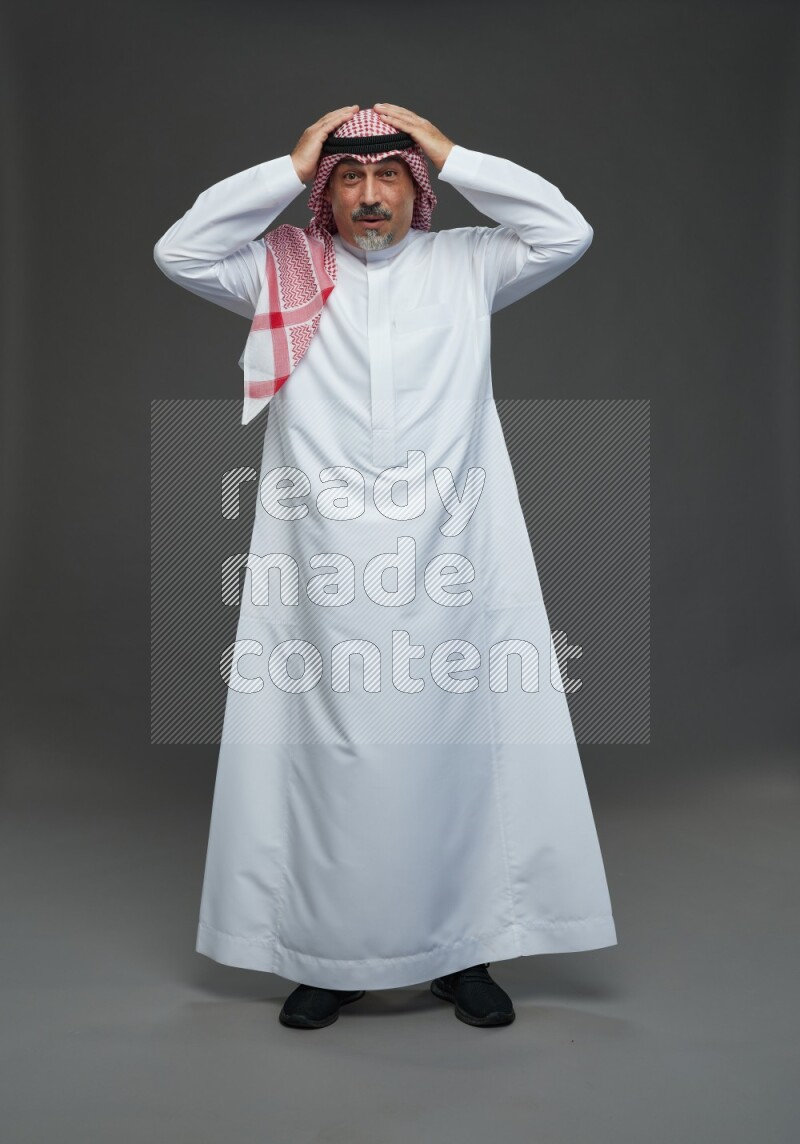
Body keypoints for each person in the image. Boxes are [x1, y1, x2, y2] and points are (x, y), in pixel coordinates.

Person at [153, 104, 617, 1031]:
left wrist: (454, 148)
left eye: (392, 178)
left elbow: (567, 229)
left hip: (456, 555)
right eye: (351, 180)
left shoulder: (471, 263)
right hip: (320, 565)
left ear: (419, 189)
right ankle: (329, 955)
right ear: (328, 193)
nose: (370, 198)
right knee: (327, 752)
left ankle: (465, 952)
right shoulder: (280, 267)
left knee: (457, 750)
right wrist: (287, 166)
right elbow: (182, 251)